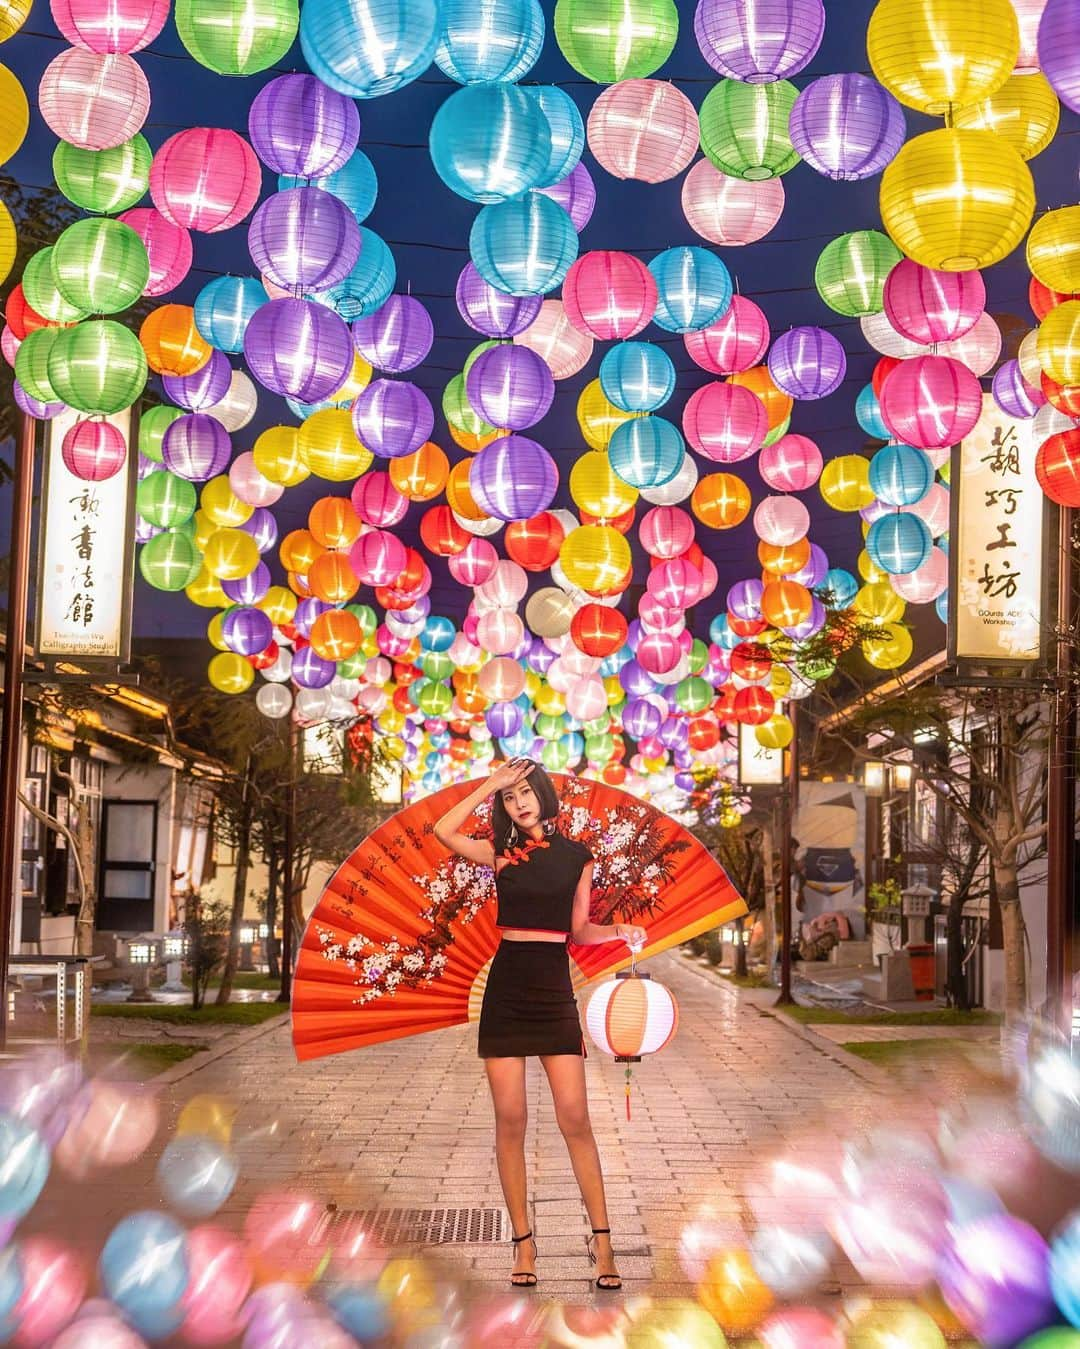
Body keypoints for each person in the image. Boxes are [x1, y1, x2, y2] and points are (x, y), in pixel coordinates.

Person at [434, 757, 647, 1292]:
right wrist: (490, 784)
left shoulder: (578, 856)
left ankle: (602, 1243)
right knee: (511, 1118)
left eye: (526, 791)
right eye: (511, 796)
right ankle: (523, 1244)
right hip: (506, 990)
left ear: (545, 796)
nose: (519, 801)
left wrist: (620, 928)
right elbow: (443, 830)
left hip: (554, 991)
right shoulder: (501, 853)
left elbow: (578, 929)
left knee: (575, 1117)